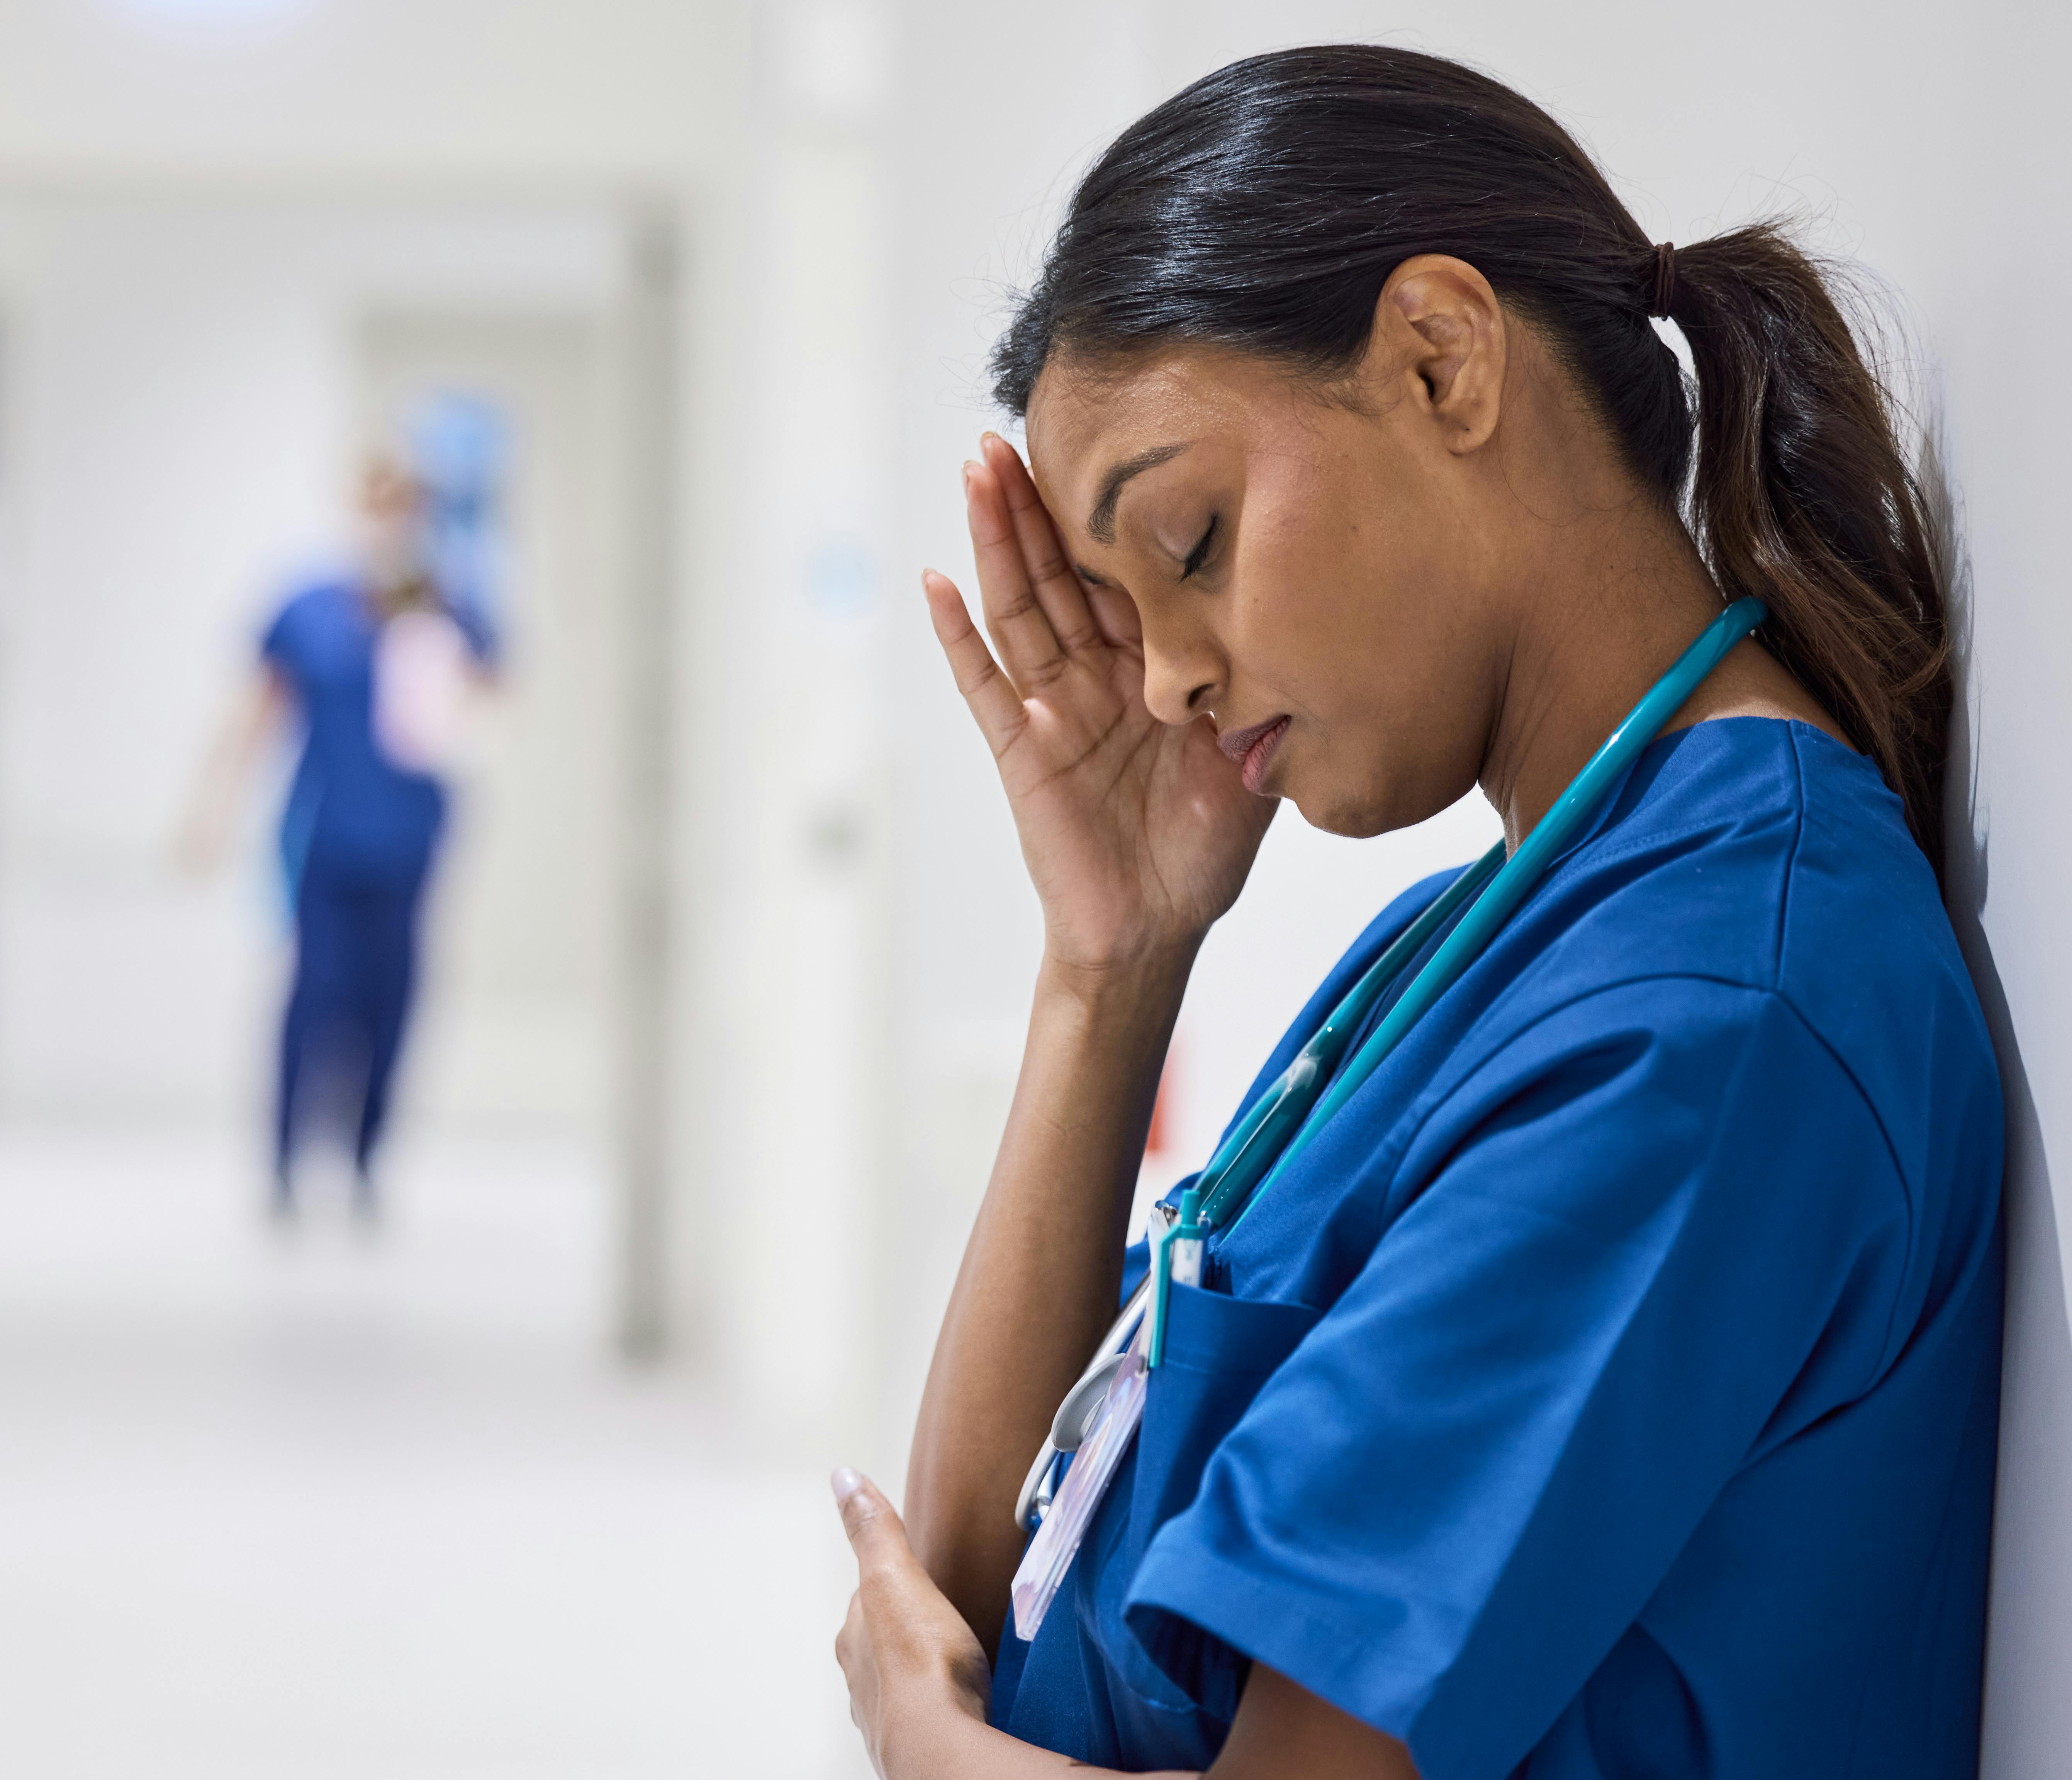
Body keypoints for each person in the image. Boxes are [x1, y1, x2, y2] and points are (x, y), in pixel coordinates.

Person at [829, 46, 2000, 1780]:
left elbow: (972, 1683)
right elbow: (996, 1583)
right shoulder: (1476, 939)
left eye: (1192, 540)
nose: (1162, 680)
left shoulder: (1704, 1017)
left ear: (1442, 360)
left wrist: (917, 1747)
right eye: (1117, 606)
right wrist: (1112, 959)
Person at [186, 458, 496, 1222]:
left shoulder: (450, 608)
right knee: (314, 993)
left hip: (411, 837)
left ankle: (365, 1161)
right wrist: (210, 808)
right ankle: (287, 1162)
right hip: (324, 835)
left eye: (405, 504)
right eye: (376, 503)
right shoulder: (309, 607)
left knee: (391, 1002)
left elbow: (486, 706)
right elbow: (259, 710)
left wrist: (429, 637)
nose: (389, 520)